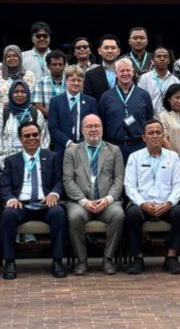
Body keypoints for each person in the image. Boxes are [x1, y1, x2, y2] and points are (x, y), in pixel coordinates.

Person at [0, 122, 68, 279]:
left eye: (35, 135)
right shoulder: (11, 160)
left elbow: (60, 181)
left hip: (45, 204)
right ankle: (9, 262)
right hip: (21, 205)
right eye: (27, 136)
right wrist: (10, 199)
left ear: (40, 136)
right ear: (20, 139)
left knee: (58, 213)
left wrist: (55, 194)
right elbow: (5, 185)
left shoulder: (52, 157)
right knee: (8, 215)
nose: (32, 138)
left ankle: (57, 261)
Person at [62, 114, 126, 275]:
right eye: (89, 126)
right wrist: (83, 201)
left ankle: (108, 259)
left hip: (108, 202)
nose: (93, 129)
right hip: (80, 202)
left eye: (96, 126)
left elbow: (119, 179)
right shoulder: (71, 152)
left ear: (102, 128)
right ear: (82, 130)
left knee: (118, 215)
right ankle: (81, 260)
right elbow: (68, 180)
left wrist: (108, 199)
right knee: (74, 217)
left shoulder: (114, 150)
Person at [123, 119, 180, 275]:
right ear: (144, 138)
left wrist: (169, 203)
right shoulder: (135, 157)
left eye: (158, 133)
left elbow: (179, 184)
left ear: (163, 135)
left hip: (166, 205)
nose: (155, 136)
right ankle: (137, 258)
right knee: (131, 215)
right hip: (142, 205)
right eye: (150, 133)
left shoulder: (173, 157)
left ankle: (171, 258)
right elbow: (129, 186)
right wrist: (142, 203)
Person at [98, 59, 154, 157]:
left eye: (128, 70)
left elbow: (149, 119)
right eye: (122, 71)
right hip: (113, 148)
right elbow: (101, 122)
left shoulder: (144, 95)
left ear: (133, 72)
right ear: (116, 73)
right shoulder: (106, 97)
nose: (125, 73)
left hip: (139, 147)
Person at [0, 79, 48, 160]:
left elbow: (43, 139)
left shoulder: (36, 113)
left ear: (28, 94)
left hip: (33, 160)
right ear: (11, 94)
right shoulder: (3, 114)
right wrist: (3, 159)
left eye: (23, 92)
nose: (19, 94)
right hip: (9, 160)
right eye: (16, 92)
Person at [47, 66, 96, 151]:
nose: (76, 83)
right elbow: (53, 127)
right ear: (66, 81)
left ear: (83, 82)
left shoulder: (91, 102)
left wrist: (82, 144)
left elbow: (94, 126)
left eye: (79, 80)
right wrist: (69, 143)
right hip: (62, 148)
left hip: (85, 149)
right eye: (73, 80)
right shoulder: (55, 102)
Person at [0, 45, 38, 112]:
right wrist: (5, 112)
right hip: (2, 114)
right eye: (8, 56)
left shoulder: (29, 75)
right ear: (4, 59)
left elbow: (29, 96)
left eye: (15, 56)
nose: (12, 58)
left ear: (20, 58)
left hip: (24, 113)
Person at [138, 47, 180, 112]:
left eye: (165, 56)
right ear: (153, 60)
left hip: (170, 118)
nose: (162, 59)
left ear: (169, 61)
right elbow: (140, 100)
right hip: (151, 118)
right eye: (159, 56)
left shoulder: (175, 81)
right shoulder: (145, 78)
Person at [83, 34, 123, 100]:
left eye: (113, 48)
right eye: (106, 48)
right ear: (99, 51)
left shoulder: (127, 73)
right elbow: (88, 101)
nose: (110, 51)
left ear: (118, 51)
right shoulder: (90, 75)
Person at [32, 49, 69, 115]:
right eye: (54, 64)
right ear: (48, 66)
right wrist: (55, 117)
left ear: (64, 66)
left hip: (69, 121)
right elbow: (38, 107)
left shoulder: (71, 82)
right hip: (47, 122)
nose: (57, 67)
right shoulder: (40, 83)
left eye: (60, 64)